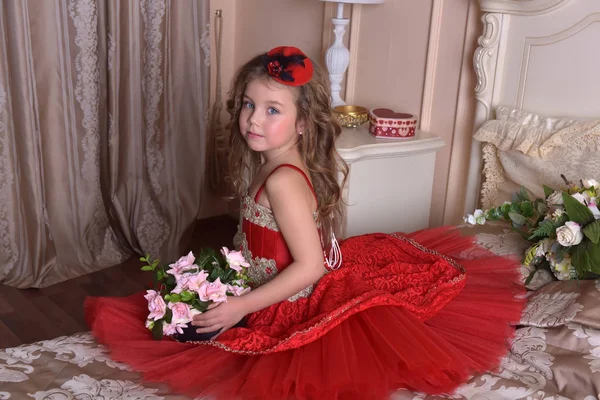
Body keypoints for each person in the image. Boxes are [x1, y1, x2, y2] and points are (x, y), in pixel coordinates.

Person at [86, 46, 525, 400]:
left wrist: (240, 305)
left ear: (302, 124)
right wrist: (222, 283)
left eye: (272, 110)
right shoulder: (266, 162)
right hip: (261, 283)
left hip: (294, 299)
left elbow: (310, 267)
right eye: (248, 105)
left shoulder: (283, 181)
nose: (254, 118)